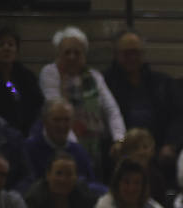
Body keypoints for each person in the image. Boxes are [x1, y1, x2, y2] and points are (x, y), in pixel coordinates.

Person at [38, 27, 124, 173]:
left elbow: (112, 109)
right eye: (67, 52)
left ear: (84, 55)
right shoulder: (50, 73)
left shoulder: (94, 76)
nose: (72, 57)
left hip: (95, 145)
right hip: (63, 146)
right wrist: (76, 150)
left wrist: (119, 139)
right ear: (58, 54)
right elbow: (57, 113)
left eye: (77, 53)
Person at [102, 30, 183, 173]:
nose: (132, 58)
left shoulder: (164, 82)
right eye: (126, 53)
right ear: (116, 54)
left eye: (136, 52)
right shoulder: (104, 83)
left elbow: (179, 117)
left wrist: (170, 145)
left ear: (143, 53)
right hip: (120, 152)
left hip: (158, 153)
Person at [0, 24, 44, 136]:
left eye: (11, 44)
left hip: (25, 134)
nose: (7, 48)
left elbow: (32, 102)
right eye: (0, 45)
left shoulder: (24, 75)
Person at [23, 99, 95, 185]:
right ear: (45, 121)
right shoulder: (29, 149)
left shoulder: (79, 152)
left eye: (66, 120)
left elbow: (91, 183)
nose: (62, 125)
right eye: (56, 120)